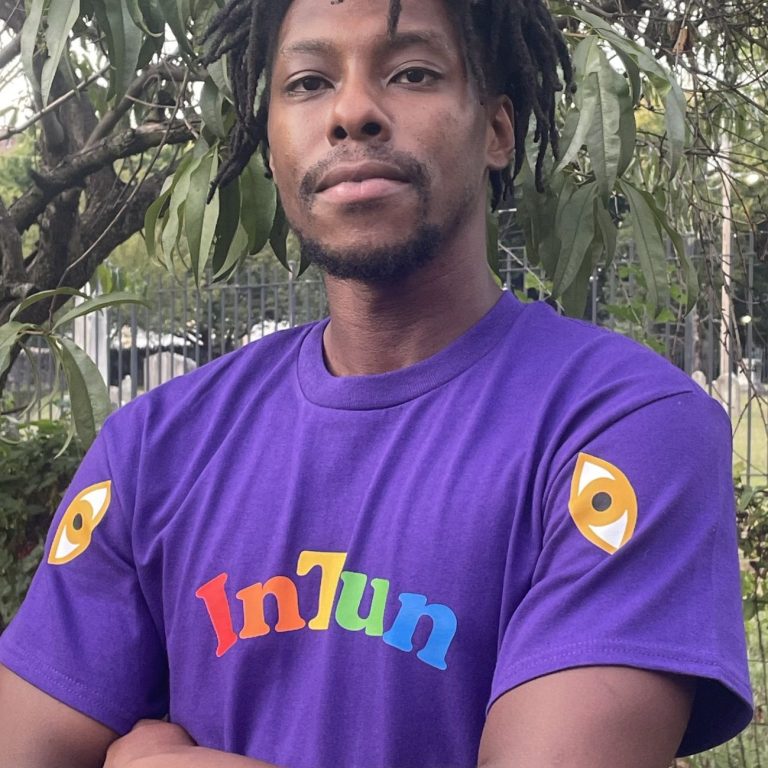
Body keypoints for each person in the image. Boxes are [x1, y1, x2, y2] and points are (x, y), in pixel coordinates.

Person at [0, 0, 753, 766]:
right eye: (308, 83)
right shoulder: (153, 448)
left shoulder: (623, 429)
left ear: (497, 130)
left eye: (412, 73)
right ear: (271, 145)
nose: (352, 111)